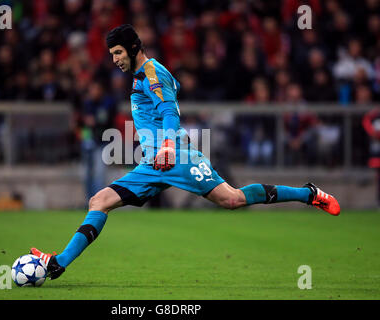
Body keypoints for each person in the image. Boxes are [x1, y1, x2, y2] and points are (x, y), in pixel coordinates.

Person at [31, 24, 340, 280]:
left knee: (232, 199)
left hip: (175, 157)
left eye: (118, 53)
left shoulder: (152, 73)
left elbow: (169, 112)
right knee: (99, 201)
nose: (114, 59)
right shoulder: (143, 75)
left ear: (133, 48)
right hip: (154, 163)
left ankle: (308, 194)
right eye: (112, 54)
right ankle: (58, 264)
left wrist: (166, 145)